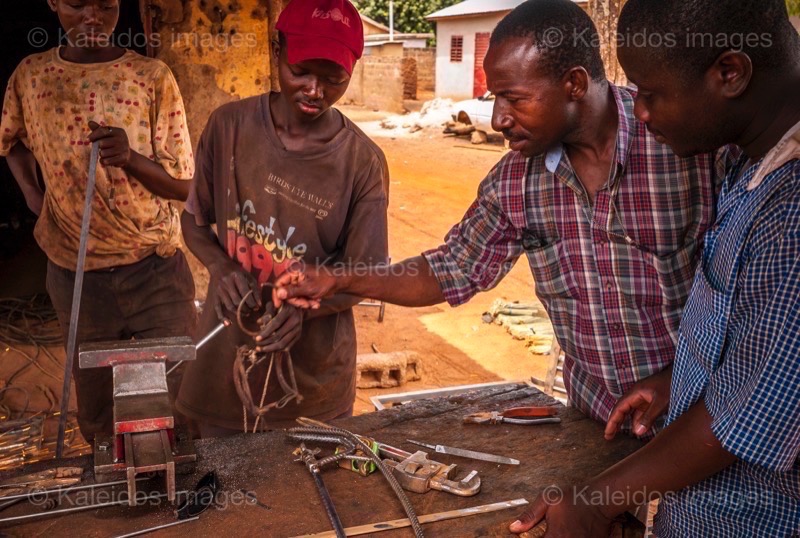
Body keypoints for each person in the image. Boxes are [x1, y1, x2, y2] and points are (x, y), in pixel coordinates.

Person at [274, 0, 730, 439]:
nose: (497, 119)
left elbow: (755, 298)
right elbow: (448, 269)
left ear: (573, 84)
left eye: (513, 99)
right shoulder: (515, 183)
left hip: (703, 421)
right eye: (494, 99)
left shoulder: (685, 145)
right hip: (597, 423)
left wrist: (676, 377)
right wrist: (339, 280)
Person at [504, 0, 800, 536]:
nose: (638, 112)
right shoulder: (749, 159)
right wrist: (679, 378)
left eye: (651, 93)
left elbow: (748, 417)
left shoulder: (791, 207)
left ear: (730, 73)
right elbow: (757, 335)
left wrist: (595, 501)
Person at [174, 0, 389, 436]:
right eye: (301, 71)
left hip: (314, 380)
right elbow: (195, 221)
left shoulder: (362, 162)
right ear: (277, 52)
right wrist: (221, 265)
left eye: (334, 80)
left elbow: (367, 273)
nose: (315, 90)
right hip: (224, 362)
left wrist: (306, 310)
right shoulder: (229, 127)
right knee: (221, 486)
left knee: (306, 492)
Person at [0, 0, 196, 443]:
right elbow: (10, 139)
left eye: (106, 5)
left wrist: (132, 160)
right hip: (75, 276)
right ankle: (111, 491)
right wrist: (33, 192)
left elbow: (184, 188)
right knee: (98, 409)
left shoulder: (151, 78)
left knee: (174, 401)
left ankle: (177, 494)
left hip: (155, 269)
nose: (93, 17)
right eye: (76, 4)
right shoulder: (32, 77)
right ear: (51, 2)